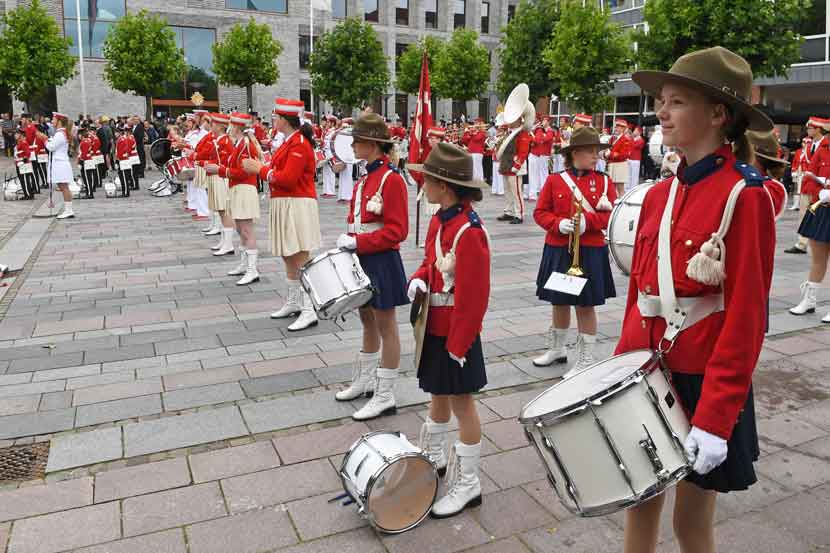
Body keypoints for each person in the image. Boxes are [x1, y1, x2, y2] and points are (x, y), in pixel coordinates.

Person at [614, 47, 775, 553]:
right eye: (661, 101)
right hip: (648, 374)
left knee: (690, 523)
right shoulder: (659, 195)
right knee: (638, 508)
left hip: (702, 380)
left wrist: (714, 419)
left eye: (676, 101)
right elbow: (641, 297)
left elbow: (746, 319)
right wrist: (622, 370)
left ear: (717, 114)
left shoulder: (745, 196)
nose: (661, 111)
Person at [407, 142, 490, 518]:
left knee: (462, 404)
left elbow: (474, 296)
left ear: (445, 185)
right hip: (434, 328)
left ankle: (470, 482)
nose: (422, 184)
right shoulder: (440, 219)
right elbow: (431, 263)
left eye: (428, 179)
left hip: (457, 333)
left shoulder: (470, 231)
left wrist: (460, 344)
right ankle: (434, 456)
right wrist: (419, 280)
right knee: (437, 396)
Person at [333, 113, 410, 421]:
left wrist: (359, 243)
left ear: (373, 144)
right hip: (362, 258)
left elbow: (398, 230)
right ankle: (366, 380)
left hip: (381, 260)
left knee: (386, 327)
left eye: (357, 140)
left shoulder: (391, 179)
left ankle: (385, 393)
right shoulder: (365, 177)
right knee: (367, 322)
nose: (351, 144)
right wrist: (350, 241)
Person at [531, 126, 616, 377]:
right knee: (559, 301)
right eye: (591, 152)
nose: (596, 156)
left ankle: (586, 358)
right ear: (575, 153)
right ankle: (557, 349)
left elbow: (610, 214)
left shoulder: (604, 181)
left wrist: (589, 222)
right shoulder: (554, 180)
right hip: (559, 248)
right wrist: (557, 224)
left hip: (589, 250)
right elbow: (540, 212)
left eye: (597, 152)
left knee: (585, 305)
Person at [242, 98, 322, 331]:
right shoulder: (290, 141)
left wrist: (260, 169)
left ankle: (309, 308)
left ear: (285, 120)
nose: (273, 120)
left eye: (276, 117)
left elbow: (288, 179)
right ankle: (295, 302)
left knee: (299, 255)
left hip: (296, 203)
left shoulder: (298, 143)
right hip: (286, 202)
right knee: (288, 254)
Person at [206, 113, 262, 285]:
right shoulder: (240, 143)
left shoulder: (244, 145)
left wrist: (220, 170)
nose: (228, 127)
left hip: (244, 189)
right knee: (240, 229)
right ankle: (245, 264)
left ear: (236, 126)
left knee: (246, 230)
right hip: (238, 188)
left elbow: (246, 171)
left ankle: (252, 270)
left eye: (231, 124)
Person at [790, 116, 830, 323]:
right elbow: (810, 174)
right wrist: (821, 191)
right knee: (817, 258)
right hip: (823, 207)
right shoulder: (824, 149)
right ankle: (809, 300)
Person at [786, 117, 825, 254]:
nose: (808, 130)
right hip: (808, 184)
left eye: (810, 128)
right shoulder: (808, 145)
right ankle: (801, 244)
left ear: (818, 129)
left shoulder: (826, 145)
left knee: (821, 216)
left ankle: (819, 243)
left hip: (822, 188)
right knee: (803, 214)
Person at [203, 113, 236, 256]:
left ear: (222, 126)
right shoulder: (219, 140)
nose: (212, 126)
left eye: (214, 124)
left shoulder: (226, 141)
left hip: (222, 177)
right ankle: (224, 241)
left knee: (224, 210)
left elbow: (228, 161)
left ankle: (228, 244)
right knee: (220, 210)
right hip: (216, 176)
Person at [45, 113, 77, 219]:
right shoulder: (61, 133)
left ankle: (69, 210)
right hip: (61, 162)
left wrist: (44, 139)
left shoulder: (59, 134)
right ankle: (68, 209)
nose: (52, 121)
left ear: (59, 121)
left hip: (60, 163)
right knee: (63, 187)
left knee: (64, 187)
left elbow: (51, 147)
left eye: (53, 119)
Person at [528, 117, 554, 202]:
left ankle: (544, 194)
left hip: (543, 156)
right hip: (534, 154)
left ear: (548, 122)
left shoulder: (550, 131)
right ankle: (532, 194)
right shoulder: (538, 129)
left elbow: (543, 139)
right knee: (533, 174)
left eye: (545, 120)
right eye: (542, 120)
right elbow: (533, 140)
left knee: (544, 175)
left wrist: (535, 137)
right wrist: (534, 136)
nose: (542, 122)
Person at [606, 118, 633, 195]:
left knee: (620, 188)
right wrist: (606, 154)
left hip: (620, 165)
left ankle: (622, 205)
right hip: (612, 164)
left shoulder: (625, 139)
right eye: (616, 126)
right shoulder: (613, 138)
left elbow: (624, 155)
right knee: (612, 188)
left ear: (623, 129)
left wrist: (610, 154)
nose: (616, 128)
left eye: (619, 127)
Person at [789, 137, 812, 211]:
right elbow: (794, 161)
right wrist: (793, 170)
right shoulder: (798, 151)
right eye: (803, 142)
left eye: (807, 142)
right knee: (796, 187)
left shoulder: (811, 152)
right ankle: (795, 204)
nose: (805, 144)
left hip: (805, 172)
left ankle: (802, 204)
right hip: (797, 170)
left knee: (803, 188)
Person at [13, 129, 36, 200]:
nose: (15, 135)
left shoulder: (23, 142)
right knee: (22, 180)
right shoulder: (19, 142)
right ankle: (27, 193)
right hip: (19, 163)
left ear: (20, 135)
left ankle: (28, 195)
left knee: (25, 180)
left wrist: (23, 160)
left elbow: (28, 153)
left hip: (23, 164)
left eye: (16, 134)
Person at [337, 118, 355, 203]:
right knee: (342, 176)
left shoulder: (351, 134)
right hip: (343, 156)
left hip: (349, 156)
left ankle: (348, 196)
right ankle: (342, 195)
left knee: (347, 175)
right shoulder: (343, 134)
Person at [114, 127, 136, 197]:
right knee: (123, 177)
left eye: (116, 132)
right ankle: (124, 191)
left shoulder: (121, 140)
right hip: (123, 159)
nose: (115, 134)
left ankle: (126, 192)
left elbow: (120, 152)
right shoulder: (122, 139)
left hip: (122, 160)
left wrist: (117, 160)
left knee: (124, 177)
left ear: (120, 133)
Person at [77, 127, 98, 198]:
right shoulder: (87, 141)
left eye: (79, 135)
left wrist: (80, 162)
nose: (78, 136)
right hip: (89, 160)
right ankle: (88, 192)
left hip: (86, 161)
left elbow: (84, 154)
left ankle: (89, 193)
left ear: (81, 135)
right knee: (88, 178)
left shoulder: (84, 142)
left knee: (87, 178)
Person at [321, 116, 337, 198]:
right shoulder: (327, 131)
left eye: (328, 122)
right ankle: (326, 190)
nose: (327, 123)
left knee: (331, 172)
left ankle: (331, 191)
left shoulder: (333, 132)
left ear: (332, 123)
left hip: (330, 153)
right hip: (325, 152)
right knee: (325, 172)